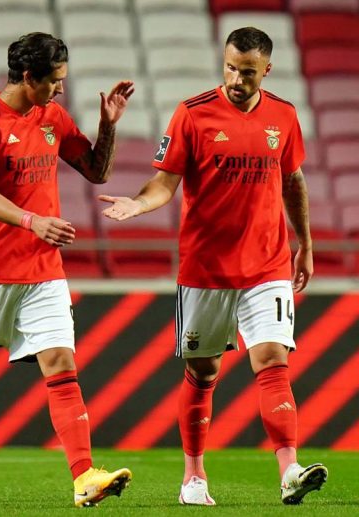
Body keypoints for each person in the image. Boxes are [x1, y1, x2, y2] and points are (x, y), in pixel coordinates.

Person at [99, 27, 328, 506]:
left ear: (266, 70)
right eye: (230, 67)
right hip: (206, 270)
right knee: (203, 373)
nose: (237, 79)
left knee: (272, 361)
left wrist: (303, 243)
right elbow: (165, 184)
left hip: (267, 264)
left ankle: (290, 469)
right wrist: (136, 206)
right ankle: (194, 478)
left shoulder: (283, 116)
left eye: (247, 71)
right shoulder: (193, 113)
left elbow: (293, 180)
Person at [0, 32, 135, 509]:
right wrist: (34, 221)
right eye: (55, 81)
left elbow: (96, 170)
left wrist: (108, 126)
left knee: (62, 365)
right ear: (28, 78)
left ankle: (84, 476)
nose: (61, 90)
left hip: (44, 269)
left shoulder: (53, 116)